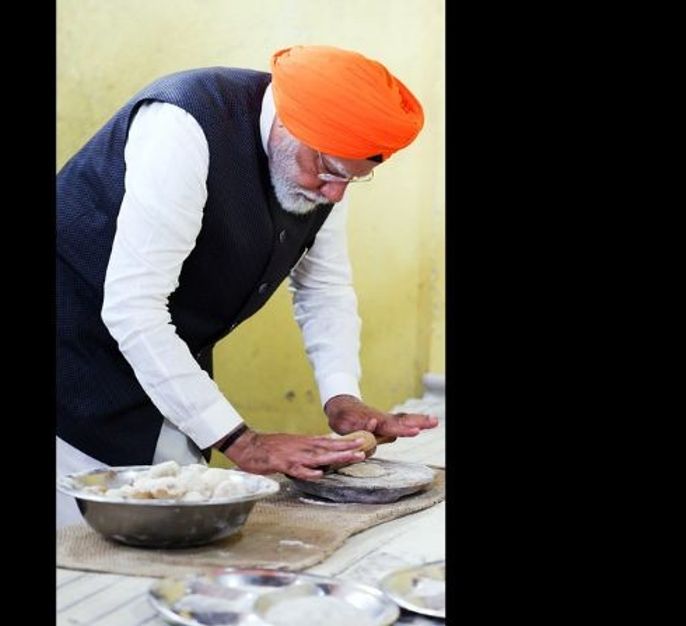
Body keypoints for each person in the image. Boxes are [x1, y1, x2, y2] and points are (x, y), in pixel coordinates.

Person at [56, 45, 438, 526]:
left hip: (160, 371)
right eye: (330, 173)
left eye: (353, 180)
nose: (334, 194)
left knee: (173, 526)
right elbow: (133, 308)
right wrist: (243, 441)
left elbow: (324, 289)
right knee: (81, 559)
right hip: (70, 363)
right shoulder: (184, 125)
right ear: (289, 126)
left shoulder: (324, 165)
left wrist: (341, 395)